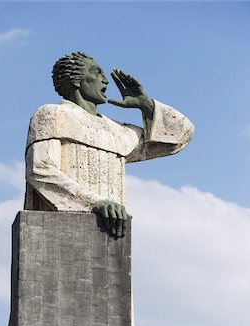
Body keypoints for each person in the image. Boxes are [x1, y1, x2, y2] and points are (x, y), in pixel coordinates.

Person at [25, 52, 194, 237]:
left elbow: (179, 137)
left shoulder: (118, 131)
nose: (105, 80)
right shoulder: (51, 114)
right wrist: (94, 203)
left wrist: (146, 105)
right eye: (96, 72)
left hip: (111, 229)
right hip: (58, 231)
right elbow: (40, 169)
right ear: (75, 80)